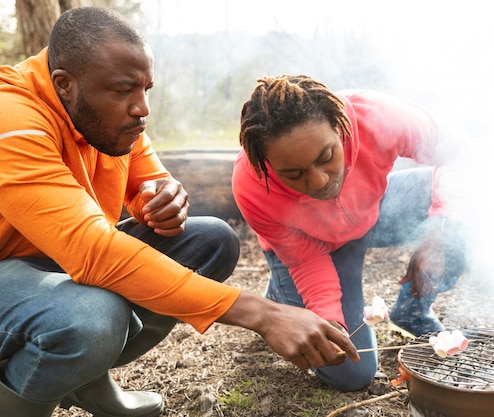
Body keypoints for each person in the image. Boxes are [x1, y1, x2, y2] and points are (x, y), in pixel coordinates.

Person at [0, 7, 359, 417]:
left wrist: (162, 199)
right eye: (124, 91)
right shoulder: (12, 120)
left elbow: (148, 181)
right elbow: (92, 253)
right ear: (65, 85)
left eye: (146, 89)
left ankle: (84, 378)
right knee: (93, 317)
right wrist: (263, 314)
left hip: (49, 258)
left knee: (211, 240)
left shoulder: (102, 111)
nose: (142, 108)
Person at [232, 74, 468, 391]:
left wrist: (441, 230)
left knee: (466, 207)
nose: (318, 182)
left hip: (372, 209)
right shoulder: (252, 186)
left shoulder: (379, 116)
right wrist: (330, 322)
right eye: (294, 174)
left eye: (326, 157)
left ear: (339, 126)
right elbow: (306, 260)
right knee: (350, 371)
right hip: (312, 247)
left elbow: (458, 153)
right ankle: (282, 292)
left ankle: (413, 309)